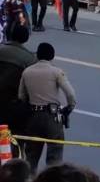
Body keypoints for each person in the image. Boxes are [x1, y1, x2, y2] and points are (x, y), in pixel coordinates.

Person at [19, 43, 76, 173]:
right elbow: (71, 94)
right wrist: (69, 108)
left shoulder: (27, 72)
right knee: (54, 159)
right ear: (52, 56)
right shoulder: (56, 72)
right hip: (52, 117)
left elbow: (21, 95)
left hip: (33, 117)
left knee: (31, 156)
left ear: (37, 55)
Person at [0, 26, 35, 149]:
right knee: (14, 144)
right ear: (26, 38)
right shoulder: (30, 59)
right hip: (14, 108)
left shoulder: (1, 49)